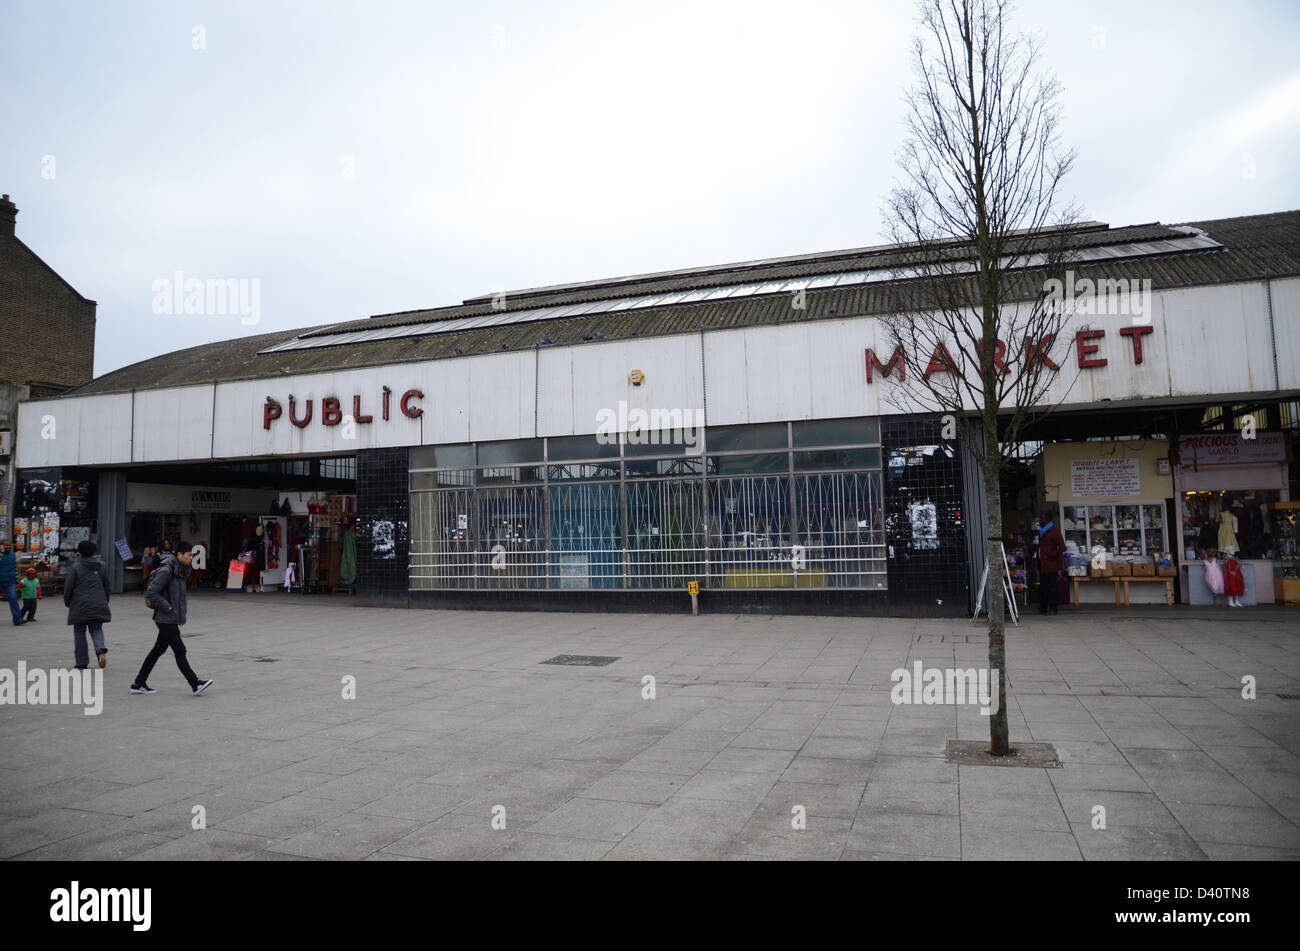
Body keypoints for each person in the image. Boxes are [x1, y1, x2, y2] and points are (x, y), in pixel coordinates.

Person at [130, 540, 213, 696]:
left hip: (171, 617)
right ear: (179, 555)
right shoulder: (167, 570)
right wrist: (167, 606)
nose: (191, 558)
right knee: (180, 650)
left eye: (192, 556)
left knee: (157, 650)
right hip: (165, 617)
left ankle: (139, 683)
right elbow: (151, 592)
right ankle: (195, 683)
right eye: (188, 555)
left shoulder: (180, 571)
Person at [64, 540, 111, 669]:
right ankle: (100, 649)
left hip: (79, 605)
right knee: (96, 628)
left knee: (79, 631)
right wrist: (105, 601)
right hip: (98, 603)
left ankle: (82, 662)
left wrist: (67, 602)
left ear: (80, 553)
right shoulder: (102, 566)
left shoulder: (76, 568)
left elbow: (68, 588)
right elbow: (107, 586)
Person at [1038, 514, 1067, 616]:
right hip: (1043, 564)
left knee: (1053, 587)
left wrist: (1052, 554)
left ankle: (1053, 608)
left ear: (1047, 520)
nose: (1040, 520)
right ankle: (1043, 608)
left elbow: (1063, 547)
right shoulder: (1042, 532)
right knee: (1043, 587)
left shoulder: (1054, 532)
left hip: (1052, 564)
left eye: (1042, 518)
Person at [0, 541, 24, 626]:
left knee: (13, 599)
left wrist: (16, 580)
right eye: (6, 545)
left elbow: (14, 568)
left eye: (9, 545)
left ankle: (17, 619)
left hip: (10, 581)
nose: (8, 547)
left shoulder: (13, 555)